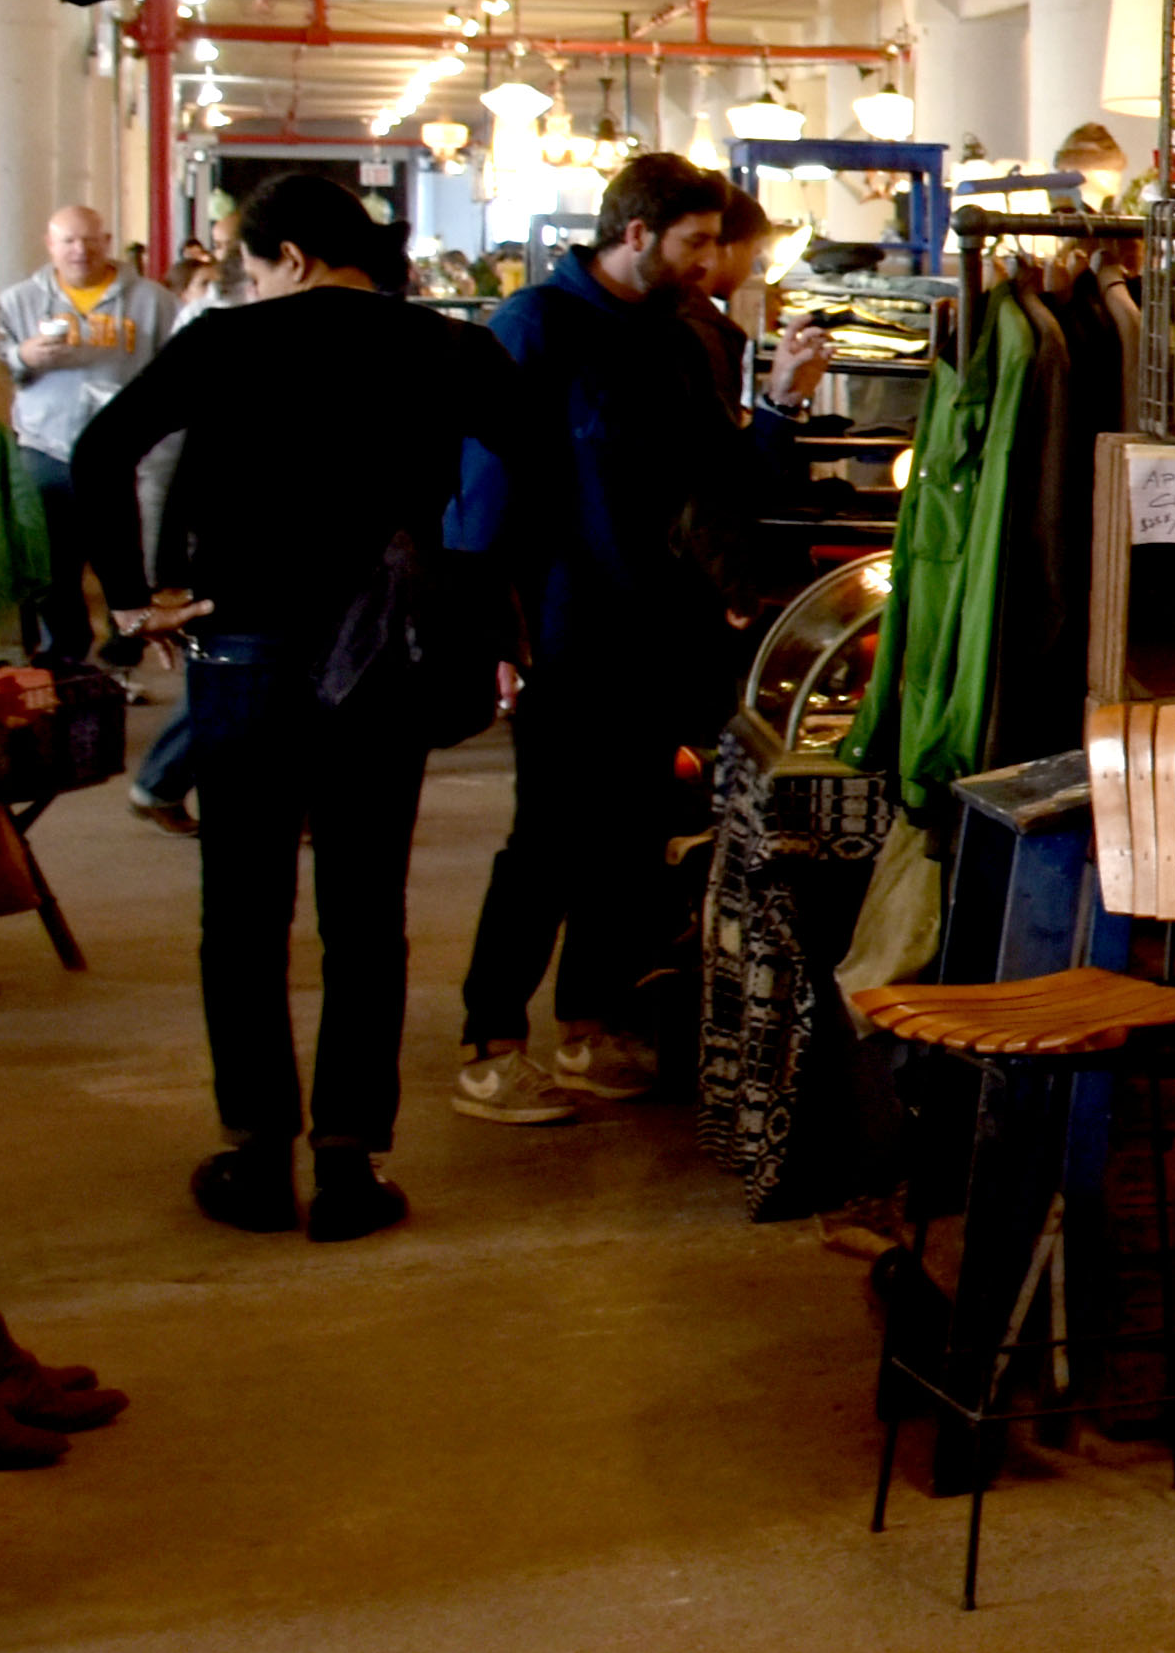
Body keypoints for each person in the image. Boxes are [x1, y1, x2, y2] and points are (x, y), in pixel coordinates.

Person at [67, 169, 542, 1239]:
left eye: (250, 268)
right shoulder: (447, 347)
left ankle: (256, 1154)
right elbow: (538, 463)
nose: (251, 285)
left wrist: (135, 597)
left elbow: (102, 452)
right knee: (365, 913)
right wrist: (474, 588)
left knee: (242, 911)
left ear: (286, 257)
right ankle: (348, 1165)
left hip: (242, 649)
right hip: (383, 658)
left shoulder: (225, 342)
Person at [447, 152, 751, 1124]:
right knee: (547, 837)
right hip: (564, 627)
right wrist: (495, 627)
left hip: (658, 627)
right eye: (695, 241)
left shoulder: (671, 332)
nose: (708, 260)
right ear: (636, 234)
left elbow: (710, 463)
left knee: (629, 838)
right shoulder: (535, 325)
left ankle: (589, 1023)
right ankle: (492, 1043)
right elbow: (483, 483)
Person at [0, 207, 173, 664]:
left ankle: (126, 644)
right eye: (69, 241)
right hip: (46, 444)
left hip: (124, 450)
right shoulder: (19, 301)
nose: (80, 250)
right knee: (52, 560)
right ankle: (64, 653)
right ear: (50, 245)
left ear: (107, 241)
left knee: (124, 549)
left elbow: (174, 366)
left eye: (90, 240)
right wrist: (23, 356)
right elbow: (0, 360)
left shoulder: (151, 300)